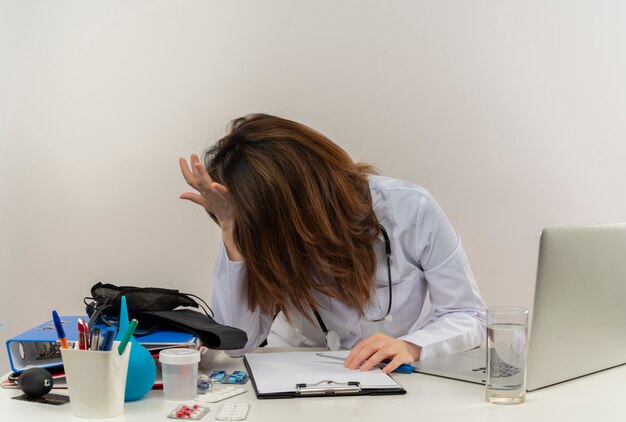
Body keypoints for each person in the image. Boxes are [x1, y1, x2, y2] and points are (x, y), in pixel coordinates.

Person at [179, 114, 486, 373]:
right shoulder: (254, 231)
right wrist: (231, 229)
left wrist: (411, 346)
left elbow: (468, 315)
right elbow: (237, 342)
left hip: (393, 378)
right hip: (297, 373)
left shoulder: (411, 209)